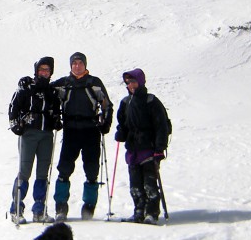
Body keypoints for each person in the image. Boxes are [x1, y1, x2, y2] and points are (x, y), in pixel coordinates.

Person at [51, 52, 113, 220]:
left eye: (80, 63)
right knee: (64, 169)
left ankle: (89, 208)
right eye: (74, 63)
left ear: (85, 65)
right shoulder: (63, 84)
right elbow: (46, 91)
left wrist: (105, 123)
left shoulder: (94, 83)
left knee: (92, 171)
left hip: (91, 131)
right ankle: (61, 208)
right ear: (71, 66)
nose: (77, 66)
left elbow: (106, 104)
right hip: (71, 130)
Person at [7, 56, 63, 223]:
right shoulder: (26, 87)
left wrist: (56, 121)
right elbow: (13, 107)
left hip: (46, 134)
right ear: (36, 70)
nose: (44, 72)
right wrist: (15, 124)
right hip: (29, 133)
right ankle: (16, 208)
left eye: (47, 70)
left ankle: (39, 209)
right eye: (41, 69)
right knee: (24, 171)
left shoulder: (52, 91)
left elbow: (56, 110)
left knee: (42, 172)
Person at [114, 68, 170, 224]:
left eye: (133, 81)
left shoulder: (151, 101)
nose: (131, 85)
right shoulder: (125, 102)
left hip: (149, 150)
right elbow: (123, 124)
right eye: (128, 82)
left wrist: (160, 149)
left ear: (141, 81)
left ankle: (151, 212)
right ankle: (139, 211)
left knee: (150, 184)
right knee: (135, 185)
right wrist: (121, 133)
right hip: (133, 150)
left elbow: (161, 126)